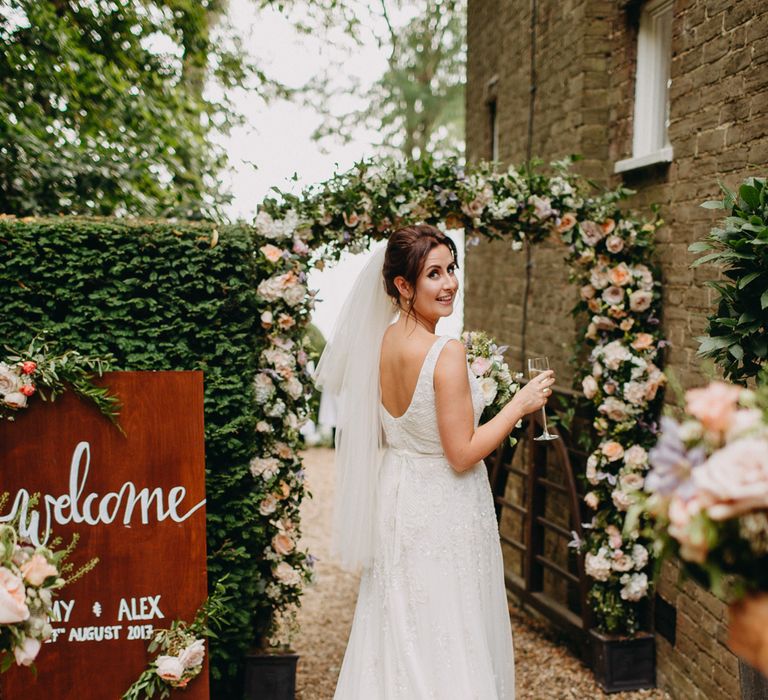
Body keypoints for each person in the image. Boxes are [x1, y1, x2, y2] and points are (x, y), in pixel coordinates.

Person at [315, 224, 555, 699]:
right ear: (403, 285)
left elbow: (390, 427)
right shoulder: (446, 353)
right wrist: (518, 404)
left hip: (398, 495)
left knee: (400, 628)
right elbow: (462, 454)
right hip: (445, 505)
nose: (449, 284)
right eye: (433, 274)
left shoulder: (380, 342)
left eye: (452, 269)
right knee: (453, 629)